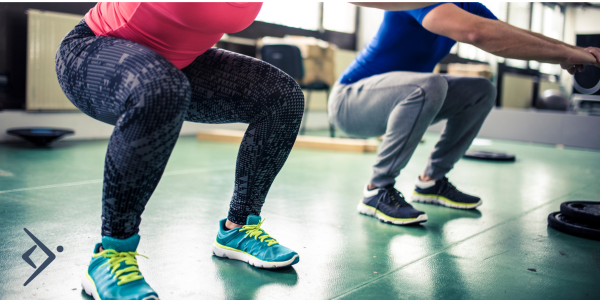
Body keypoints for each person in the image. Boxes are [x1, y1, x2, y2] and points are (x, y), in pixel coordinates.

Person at [55, 3, 306, 299]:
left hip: (178, 64)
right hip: (92, 51)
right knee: (161, 86)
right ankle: (110, 255)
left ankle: (237, 228)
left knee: (283, 98)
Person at [331, 3, 600, 225]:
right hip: (350, 102)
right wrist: (570, 53)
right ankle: (376, 190)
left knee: (481, 90)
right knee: (431, 84)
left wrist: (572, 53)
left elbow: (515, 36)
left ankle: (431, 182)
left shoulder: (469, 7)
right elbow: (477, 33)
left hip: (395, 99)